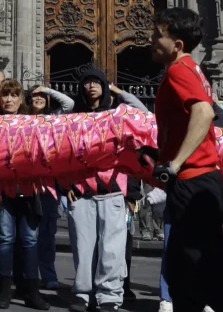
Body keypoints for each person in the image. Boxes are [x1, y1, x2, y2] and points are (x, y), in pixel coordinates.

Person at [148, 7, 223, 312]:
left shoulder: (178, 70)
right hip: (197, 181)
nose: (150, 40)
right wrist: (160, 155)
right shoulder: (191, 68)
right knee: (182, 272)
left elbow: (203, 112)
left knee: (211, 273)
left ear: (177, 45)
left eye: (158, 35)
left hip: (192, 182)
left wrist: (175, 163)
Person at [65, 67, 146, 312]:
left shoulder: (117, 117)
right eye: (87, 82)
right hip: (82, 193)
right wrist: (65, 185)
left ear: (104, 86)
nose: (91, 86)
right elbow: (62, 154)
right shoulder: (72, 118)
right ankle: (83, 293)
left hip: (113, 191)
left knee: (112, 249)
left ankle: (109, 296)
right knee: (83, 247)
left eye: (96, 82)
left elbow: (130, 156)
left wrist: (132, 194)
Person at [0, 79, 49, 310]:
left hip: (29, 192)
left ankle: (32, 291)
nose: (9, 100)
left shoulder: (32, 122)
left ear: (21, 100)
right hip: (3, 192)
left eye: (14, 95)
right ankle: (4, 290)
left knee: (30, 241)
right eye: (5, 95)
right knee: (5, 240)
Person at [27, 84, 71, 291]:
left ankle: (48, 274)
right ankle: (27, 275)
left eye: (42, 96)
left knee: (46, 233)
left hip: (48, 185)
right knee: (26, 234)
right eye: (34, 96)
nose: (38, 99)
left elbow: (69, 104)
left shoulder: (54, 117)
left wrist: (47, 89)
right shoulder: (21, 118)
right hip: (26, 182)